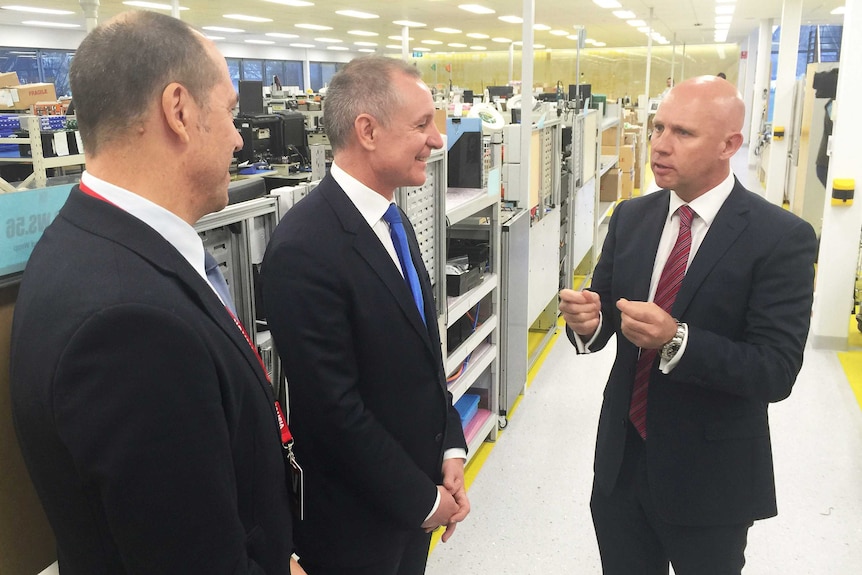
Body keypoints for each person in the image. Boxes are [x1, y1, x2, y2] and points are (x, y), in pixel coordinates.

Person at [10, 11, 303, 574]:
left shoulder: (84, 238)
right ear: (179, 111)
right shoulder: (130, 326)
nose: (241, 137)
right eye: (231, 112)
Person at [559, 76, 817, 574]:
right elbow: (605, 316)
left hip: (710, 478)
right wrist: (588, 322)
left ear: (729, 145)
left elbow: (775, 370)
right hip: (621, 466)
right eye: (658, 127)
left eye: (683, 132)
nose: (659, 144)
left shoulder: (780, 238)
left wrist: (677, 341)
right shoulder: (631, 217)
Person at [261, 55, 470, 575]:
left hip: (411, 503)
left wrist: (449, 445)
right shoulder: (304, 249)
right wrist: (422, 502)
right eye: (422, 125)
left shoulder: (391, 220)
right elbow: (335, 411)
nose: (438, 140)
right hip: (354, 526)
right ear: (368, 131)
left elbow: (424, 352)